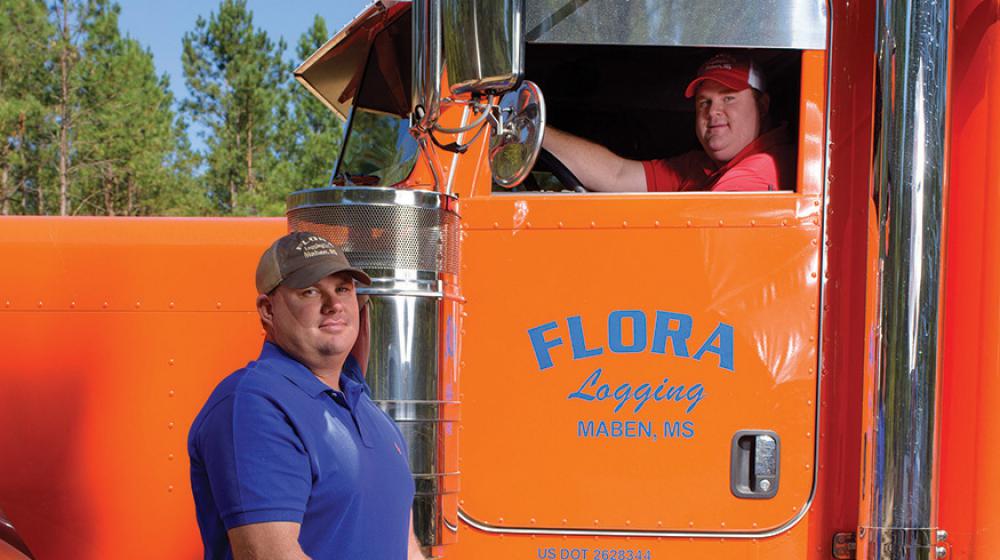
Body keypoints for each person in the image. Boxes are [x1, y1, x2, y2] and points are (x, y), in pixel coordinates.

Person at [188, 232, 425, 560]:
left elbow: (407, 546)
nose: (334, 305)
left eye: (343, 288)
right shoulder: (255, 404)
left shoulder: (372, 414)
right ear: (268, 310)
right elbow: (269, 556)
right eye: (310, 291)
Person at [542, 52, 795, 192]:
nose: (713, 112)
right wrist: (537, 131)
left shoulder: (761, 171)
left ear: (762, 106)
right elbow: (617, 174)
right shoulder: (702, 165)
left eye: (728, 98)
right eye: (704, 102)